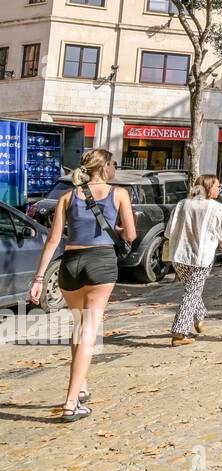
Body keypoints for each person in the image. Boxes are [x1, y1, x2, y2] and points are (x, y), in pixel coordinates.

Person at [28, 148, 137, 422]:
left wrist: (39, 279)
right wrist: (115, 229)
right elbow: (132, 235)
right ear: (105, 167)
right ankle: (71, 402)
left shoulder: (67, 196)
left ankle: (82, 385)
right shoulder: (119, 193)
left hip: (71, 262)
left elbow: (53, 241)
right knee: (89, 330)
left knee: (78, 326)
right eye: (114, 164)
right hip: (100, 261)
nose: (115, 168)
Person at [164, 174, 222, 346]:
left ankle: (199, 318)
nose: (219, 188)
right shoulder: (216, 208)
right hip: (201, 257)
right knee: (192, 291)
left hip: (178, 255)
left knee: (191, 288)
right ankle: (179, 332)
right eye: (217, 185)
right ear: (209, 188)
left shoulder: (182, 204)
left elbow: (168, 232)